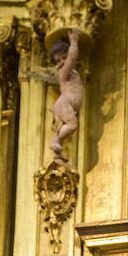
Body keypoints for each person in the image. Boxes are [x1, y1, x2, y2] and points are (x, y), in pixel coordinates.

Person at [48, 30, 83, 160]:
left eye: (64, 57)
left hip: (68, 105)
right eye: (58, 61)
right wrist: (74, 40)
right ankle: (55, 141)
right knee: (72, 125)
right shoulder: (63, 72)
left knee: (66, 126)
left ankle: (57, 152)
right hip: (65, 103)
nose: (62, 62)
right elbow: (72, 58)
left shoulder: (73, 72)